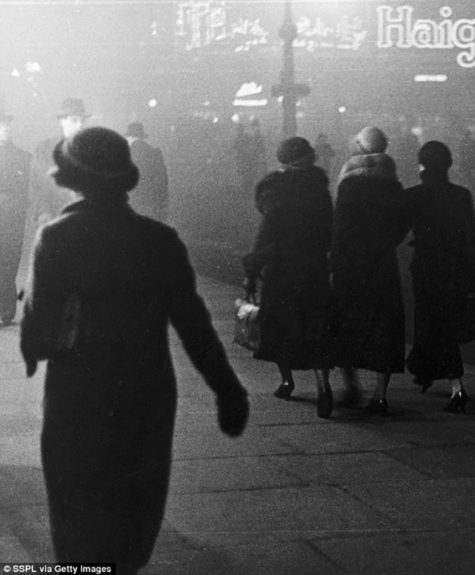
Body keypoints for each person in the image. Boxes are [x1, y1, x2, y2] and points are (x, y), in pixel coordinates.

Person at [20, 127, 249, 573]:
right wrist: (227, 389)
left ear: (70, 177)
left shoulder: (58, 237)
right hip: (146, 389)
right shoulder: (159, 240)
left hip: (78, 391)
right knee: (135, 505)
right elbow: (193, 322)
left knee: (76, 508)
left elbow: (40, 326)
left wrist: (33, 350)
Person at [243, 136, 334, 418]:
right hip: (314, 268)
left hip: (282, 269)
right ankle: (323, 385)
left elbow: (269, 230)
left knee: (280, 327)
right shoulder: (319, 187)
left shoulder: (275, 187)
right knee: (315, 326)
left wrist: (252, 266)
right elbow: (329, 228)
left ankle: (287, 381)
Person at [331, 126, 409, 415]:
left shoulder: (348, 185)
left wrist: (335, 260)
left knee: (346, 323)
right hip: (382, 263)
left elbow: (340, 228)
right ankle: (380, 394)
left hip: (351, 264)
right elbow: (402, 226)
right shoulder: (393, 185)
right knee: (384, 326)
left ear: (360, 149)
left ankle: (351, 385)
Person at [405, 141, 475, 413]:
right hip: (455, 268)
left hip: (425, 267)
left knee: (427, 321)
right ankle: (440, 376)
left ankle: (449, 381)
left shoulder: (414, 195)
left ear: (421, 165)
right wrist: (472, 275)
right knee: (447, 323)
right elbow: (470, 237)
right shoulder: (461, 195)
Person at [31, 98, 90, 224]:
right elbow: (39, 185)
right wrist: (44, 212)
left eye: (82, 120)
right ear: (62, 121)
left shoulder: (92, 151)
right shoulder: (45, 150)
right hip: (55, 217)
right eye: (74, 120)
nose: (80, 125)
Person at [0, 112, 32, 325]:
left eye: (6, 123)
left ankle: (6, 310)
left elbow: (27, 190)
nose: (5, 127)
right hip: (11, 214)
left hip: (12, 218)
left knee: (9, 261)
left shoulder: (23, 156)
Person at [125, 121, 169, 222]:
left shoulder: (126, 154)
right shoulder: (154, 153)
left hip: (132, 202)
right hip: (151, 202)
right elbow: (162, 180)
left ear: (131, 137)